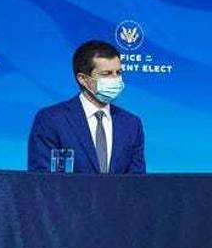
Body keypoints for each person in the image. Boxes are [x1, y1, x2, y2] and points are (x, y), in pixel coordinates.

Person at [27, 40, 147, 174]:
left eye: (118, 73)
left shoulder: (131, 124)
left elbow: (137, 184)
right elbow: (42, 181)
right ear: (83, 79)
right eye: (106, 74)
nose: (116, 79)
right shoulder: (51, 120)